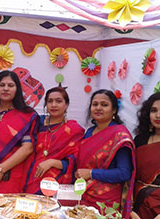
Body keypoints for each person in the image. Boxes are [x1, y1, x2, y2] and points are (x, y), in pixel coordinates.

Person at [75, 89, 135, 219]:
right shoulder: (89, 132)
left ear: (114, 110)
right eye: (95, 104)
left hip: (106, 203)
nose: (98, 108)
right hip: (84, 195)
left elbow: (124, 173)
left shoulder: (119, 135)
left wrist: (91, 173)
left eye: (104, 105)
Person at [0, 70, 38, 195]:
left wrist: (1, 169)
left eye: (10, 85)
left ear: (17, 89)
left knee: (7, 211)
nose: (6, 89)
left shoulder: (27, 115)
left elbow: (27, 148)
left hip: (10, 175)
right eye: (2, 85)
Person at [24, 87, 84, 194]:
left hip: (56, 182)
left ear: (66, 105)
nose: (54, 105)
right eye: (50, 101)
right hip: (31, 177)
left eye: (59, 101)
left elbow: (75, 162)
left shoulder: (73, 129)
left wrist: (52, 162)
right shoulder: (37, 124)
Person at [131, 92, 160, 219]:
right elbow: (131, 174)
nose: (158, 115)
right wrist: (129, 208)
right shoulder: (140, 140)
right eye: (154, 110)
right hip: (137, 203)